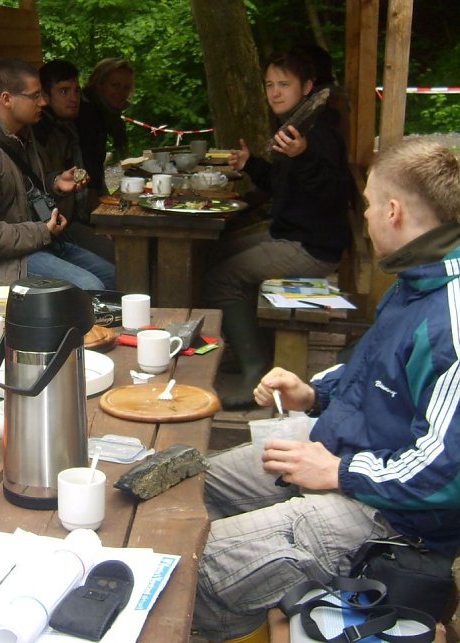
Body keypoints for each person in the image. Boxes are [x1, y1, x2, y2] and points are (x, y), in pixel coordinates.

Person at [192, 138, 460, 640]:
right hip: (340, 455)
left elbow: (448, 471)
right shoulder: (416, 279)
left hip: (394, 521)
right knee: (191, 486)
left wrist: (338, 471)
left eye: (369, 205)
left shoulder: (451, 313)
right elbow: (376, 372)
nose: (365, 217)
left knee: (188, 567)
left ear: (394, 212)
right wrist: (315, 394)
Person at [203, 48, 351, 409]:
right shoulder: (298, 123)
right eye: (270, 84)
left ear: (308, 86)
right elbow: (282, 182)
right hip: (290, 232)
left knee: (222, 278)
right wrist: (251, 163)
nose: (275, 92)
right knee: (211, 252)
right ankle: (248, 346)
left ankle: (256, 372)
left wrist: (303, 157)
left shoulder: (319, 134)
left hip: (313, 247)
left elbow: (335, 193)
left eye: (284, 84)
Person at [0, 58, 115, 301]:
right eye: (35, 96)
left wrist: (55, 183)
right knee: (87, 287)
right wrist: (42, 231)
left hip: (31, 245)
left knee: (110, 277)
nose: (43, 102)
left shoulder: (19, 132)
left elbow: (22, 194)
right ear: (6, 99)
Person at [34, 59, 114, 263]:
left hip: (73, 223)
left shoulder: (67, 127)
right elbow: (40, 191)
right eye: (63, 91)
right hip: (50, 231)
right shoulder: (38, 134)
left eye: (76, 91)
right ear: (44, 95)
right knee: (117, 257)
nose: (73, 98)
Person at [76, 58, 134, 208]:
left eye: (126, 87)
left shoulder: (105, 112)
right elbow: (88, 162)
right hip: (77, 193)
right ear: (99, 84)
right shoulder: (86, 113)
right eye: (115, 85)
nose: (121, 93)